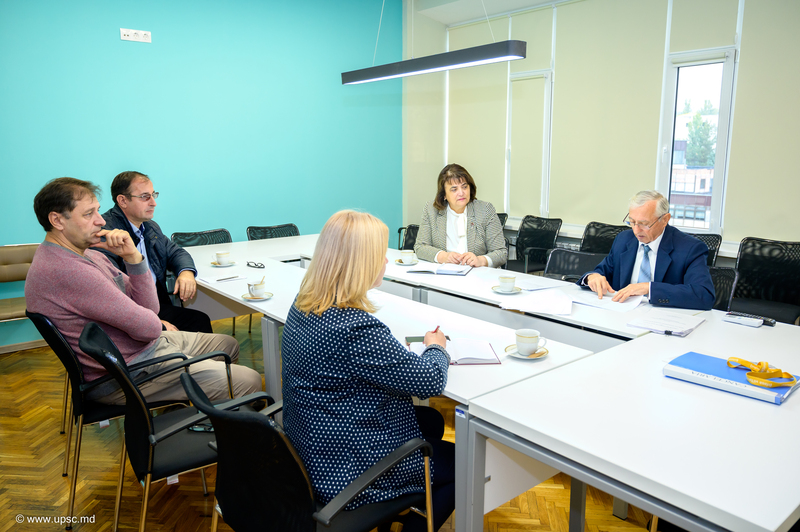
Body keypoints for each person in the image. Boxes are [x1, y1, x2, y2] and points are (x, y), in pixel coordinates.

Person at [282, 210, 454, 532]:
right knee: (461, 465)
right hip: (347, 469)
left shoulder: (303, 303)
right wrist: (436, 348)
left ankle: (401, 508)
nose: (386, 261)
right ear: (360, 262)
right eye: (380, 254)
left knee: (431, 421)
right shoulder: (355, 328)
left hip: (309, 449)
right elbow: (430, 381)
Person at [25, 177, 262, 404]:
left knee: (228, 345)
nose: (100, 221)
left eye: (97, 211)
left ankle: (209, 411)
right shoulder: (70, 271)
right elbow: (148, 327)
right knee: (249, 380)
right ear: (57, 220)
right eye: (89, 214)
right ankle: (214, 418)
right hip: (126, 373)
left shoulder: (86, 254)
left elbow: (150, 308)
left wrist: (133, 258)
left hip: (137, 350)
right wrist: (152, 322)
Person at [99, 171, 213, 333]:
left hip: (155, 302)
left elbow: (176, 252)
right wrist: (155, 321)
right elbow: (112, 293)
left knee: (199, 320)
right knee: (198, 322)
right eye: (145, 197)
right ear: (123, 200)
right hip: (132, 311)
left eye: (153, 195)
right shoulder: (108, 233)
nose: (153, 203)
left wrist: (186, 272)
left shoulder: (150, 226)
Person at [579, 190, 715, 310]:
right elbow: (601, 271)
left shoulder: (690, 248)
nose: (636, 230)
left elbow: (704, 294)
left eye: (644, 224)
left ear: (665, 220)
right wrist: (592, 277)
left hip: (662, 319)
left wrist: (648, 288)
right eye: (632, 222)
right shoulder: (624, 239)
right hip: (620, 313)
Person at [415, 163, 507, 268]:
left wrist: (480, 260)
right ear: (444, 195)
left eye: (464, 187)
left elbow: (501, 253)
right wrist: (443, 256)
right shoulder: (431, 210)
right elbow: (420, 247)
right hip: (444, 273)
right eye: (454, 189)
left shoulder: (485, 210)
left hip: (477, 273)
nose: (461, 193)